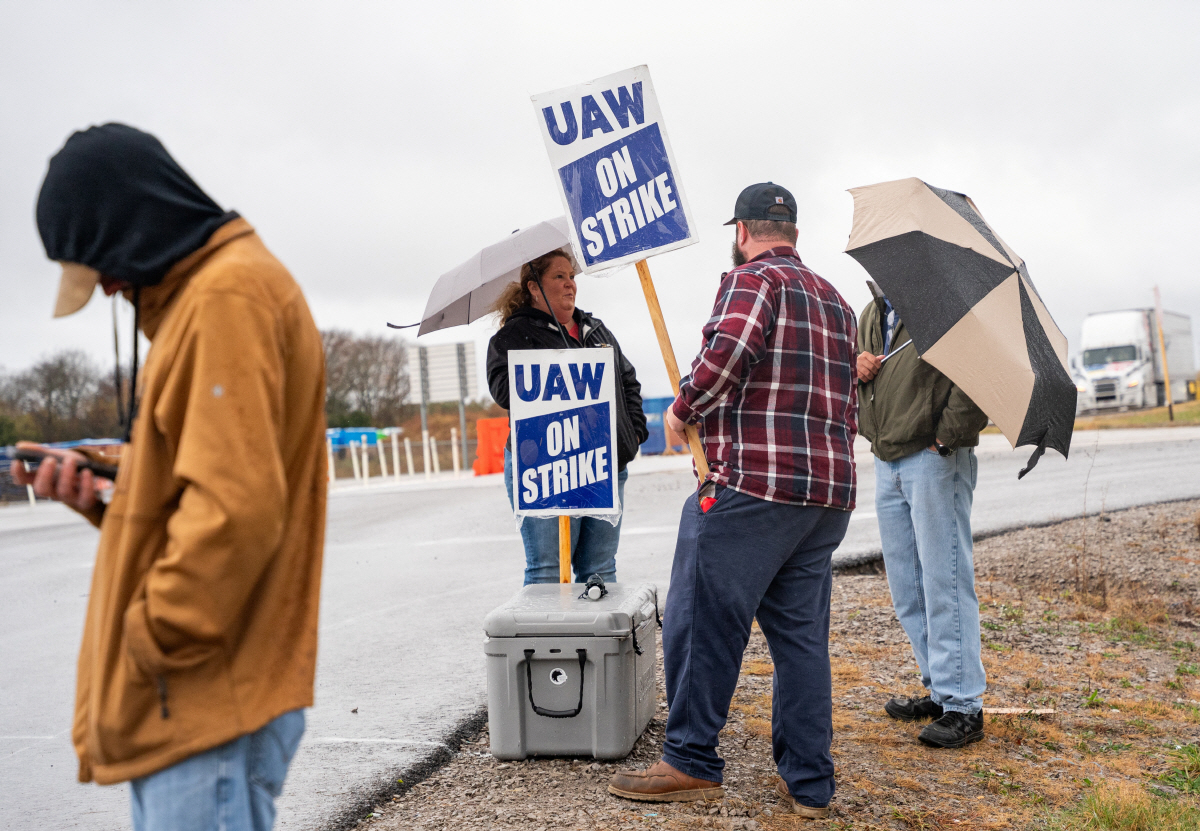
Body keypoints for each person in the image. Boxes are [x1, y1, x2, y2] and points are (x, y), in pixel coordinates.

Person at [13, 123, 327, 831]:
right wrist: (104, 490)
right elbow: (212, 481)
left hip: (203, 697)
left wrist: (152, 637)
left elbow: (235, 510)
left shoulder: (224, 300)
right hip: (205, 695)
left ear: (133, 221)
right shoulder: (214, 296)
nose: (112, 287)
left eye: (106, 266)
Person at [608, 183, 858, 818]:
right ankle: (810, 782)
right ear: (794, 231)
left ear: (743, 231)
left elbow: (728, 354)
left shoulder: (753, 281)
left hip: (750, 486)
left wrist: (682, 407)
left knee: (700, 620)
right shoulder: (837, 302)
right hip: (825, 497)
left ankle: (689, 757)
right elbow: (847, 403)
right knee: (801, 640)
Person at [856, 290, 990, 748]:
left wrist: (945, 440)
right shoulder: (872, 314)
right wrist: (857, 368)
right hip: (886, 457)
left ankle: (964, 705)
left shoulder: (945, 305)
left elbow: (977, 377)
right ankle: (941, 688)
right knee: (907, 584)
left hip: (933, 458)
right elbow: (859, 385)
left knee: (944, 581)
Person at [485, 248, 648, 584]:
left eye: (572, 276)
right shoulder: (514, 337)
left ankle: (597, 639)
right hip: (547, 466)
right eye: (559, 276)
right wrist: (559, 365)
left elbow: (627, 380)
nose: (570, 284)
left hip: (603, 464)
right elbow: (504, 392)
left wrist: (631, 434)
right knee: (548, 570)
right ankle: (552, 639)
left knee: (600, 571)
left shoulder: (595, 330)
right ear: (534, 287)